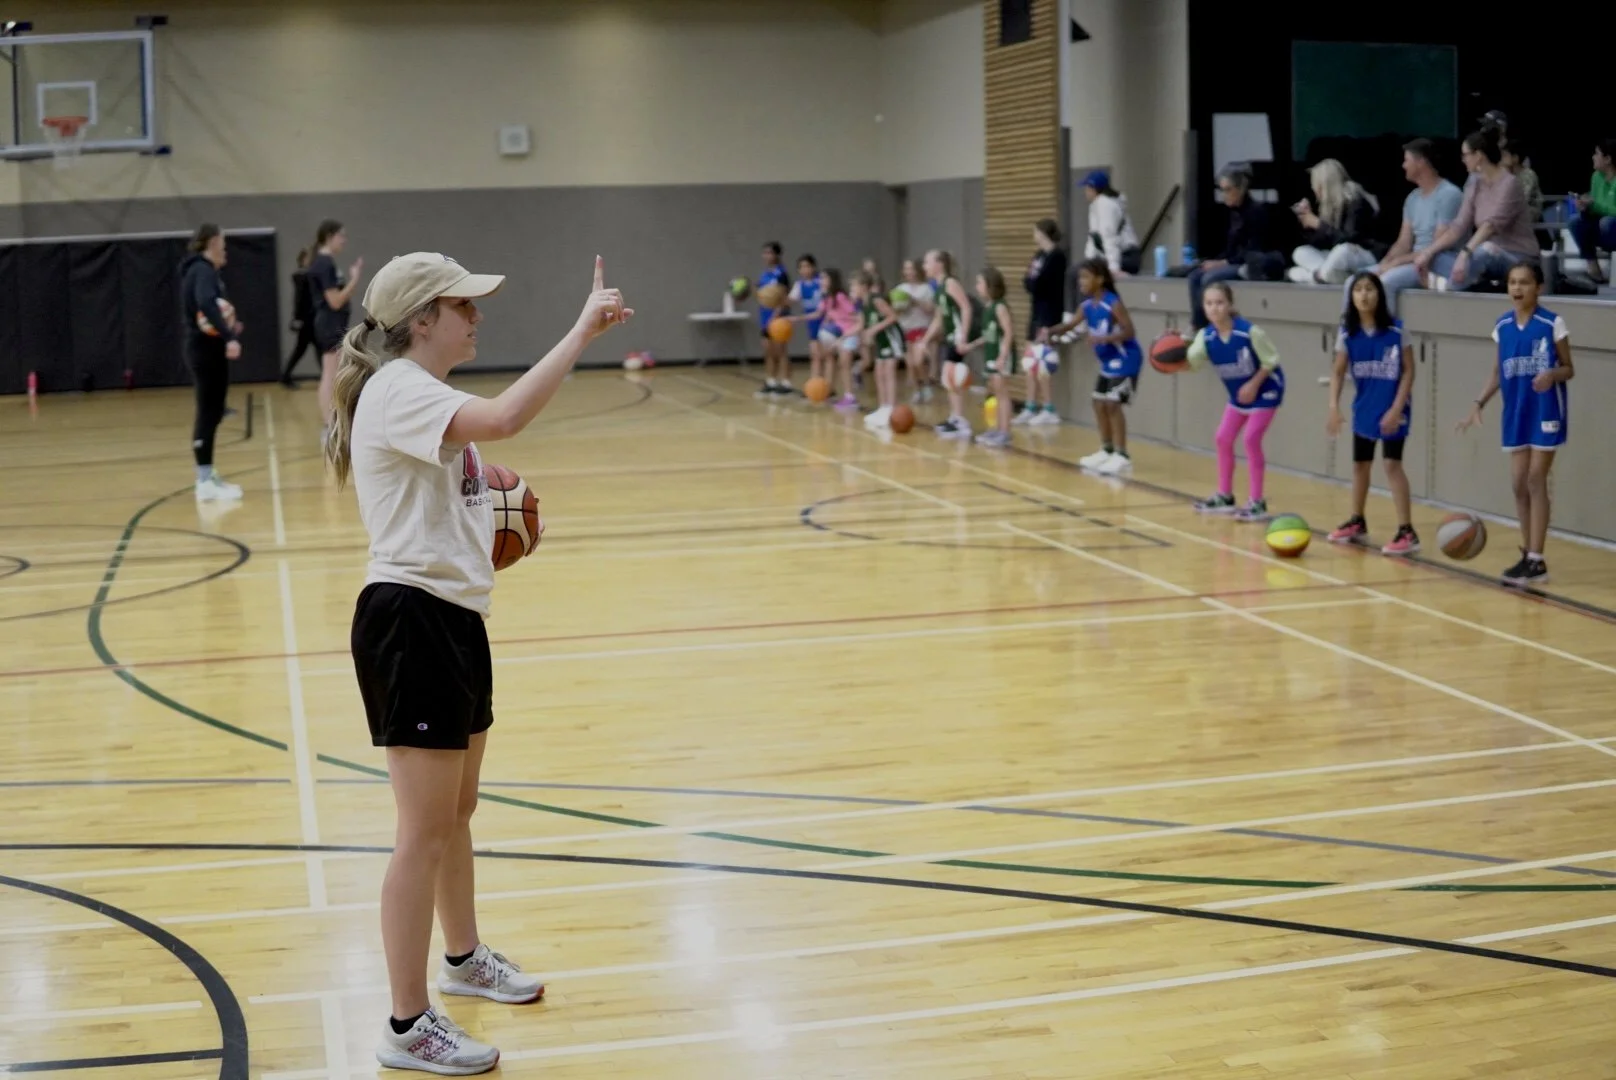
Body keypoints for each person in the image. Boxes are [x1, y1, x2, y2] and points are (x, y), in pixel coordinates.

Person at [326, 251, 629, 1074]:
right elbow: (502, 422)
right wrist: (579, 331)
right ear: (422, 318)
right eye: (464, 306)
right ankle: (405, 1022)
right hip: (409, 620)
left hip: (453, 618)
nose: (476, 317)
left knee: (453, 816)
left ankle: (462, 960)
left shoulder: (416, 390)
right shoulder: (398, 388)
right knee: (420, 832)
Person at [1456, 262, 1573, 586]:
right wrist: (1478, 404)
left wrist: (1552, 374)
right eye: (1512, 282)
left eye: (1524, 282)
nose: (1517, 289)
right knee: (1519, 483)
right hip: (1516, 412)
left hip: (1546, 410)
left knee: (1537, 479)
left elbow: (1569, 368)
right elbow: (1497, 372)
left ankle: (1537, 558)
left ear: (1539, 287)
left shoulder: (1552, 323)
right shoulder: (1502, 326)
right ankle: (1528, 555)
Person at [1327, 271, 1417, 555]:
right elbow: (1338, 372)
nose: (1364, 295)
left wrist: (1396, 408)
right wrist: (1333, 407)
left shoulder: (1397, 331)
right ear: (1351, 297)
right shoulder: (1348, 335)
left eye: (1369, 289)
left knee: (1392, 464)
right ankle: (1358, 520)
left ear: (1380, 295)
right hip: (1365, 407)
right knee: (1360, 465)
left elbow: (1409, 371)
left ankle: (1407, 531)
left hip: (1394, 407)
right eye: (1358, 290)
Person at [1186, 281, 1284, 520]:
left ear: (1230, 305)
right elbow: (1193, 361)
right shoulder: (1205, 336)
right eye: (1209, 304)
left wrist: (1253, 384)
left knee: (1251, 439)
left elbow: (1271, 360)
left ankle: (1257, 502)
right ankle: (1225, 496)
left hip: (1266, 389)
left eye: (1219, 303)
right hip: (1239, 395)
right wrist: (1176, 348)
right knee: (1223, 438)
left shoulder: (1249, 332)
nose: (1214, 308)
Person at [1047, 257, 1141, 473]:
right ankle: (1106, 449)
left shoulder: (1112, 303)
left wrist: (1103, 339)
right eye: (1080, 277)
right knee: (1098, 402)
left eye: (1085, 277)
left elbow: (1130, 331)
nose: (1081, 281)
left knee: (1113, 404)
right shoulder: (1087, 306)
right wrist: (1050, 331)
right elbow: (1070, 324)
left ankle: (1122, 454)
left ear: (1099, 279)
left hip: (1126, 359)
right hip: (1108, 361)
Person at [1350, 139, 1464, 314]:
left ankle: (1387, 337)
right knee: (1355, 280)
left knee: (1386, 281)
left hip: (1433, 263)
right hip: (1412, 261)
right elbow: (1404, 242)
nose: (1403, 165)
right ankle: (1350, 334)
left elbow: (1435, 247)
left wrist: (1394, 264)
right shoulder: (1412, 198)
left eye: (1407, 160)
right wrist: (1385, 263)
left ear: (1421, 162)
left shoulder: (1449, 195)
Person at [1418, 128, 1536, 291]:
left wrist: (1465, 253)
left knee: (1485, 251)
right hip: (1480, 256)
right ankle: (1465, 280)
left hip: (1516, 255)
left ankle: (1448, 287)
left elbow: (1490, 226)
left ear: (1478, 155)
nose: (1463, 160)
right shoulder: (1475, 184)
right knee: (1435, 257)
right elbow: (1459, 225)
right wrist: (1427, 252)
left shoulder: (1510, 184)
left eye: (1465, 155)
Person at [179, 223, 244, 502]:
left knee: (215, 411)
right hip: (204, 350)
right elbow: (205, 302)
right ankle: (204, 481)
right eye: (223, 244)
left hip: (209, 348)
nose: (226, 250)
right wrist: (229, 336)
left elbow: (210, 308)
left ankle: (207, 476)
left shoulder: (205, 272)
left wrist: (228, 327)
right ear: (213, 242)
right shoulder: (202, 271)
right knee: (208, 412)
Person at [1187, 164, 1277, 330]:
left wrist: (1224, 263)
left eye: (1228, 190)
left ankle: (1210, 325)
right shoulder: (1233, 213)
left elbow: (1252, 250)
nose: (1224, 195)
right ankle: (1198, 325)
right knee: (1195, 276)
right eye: (1222, 190)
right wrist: (1215, 260)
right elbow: (1230, 248)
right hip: (1233, 260)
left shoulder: (1256, 212)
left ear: (1240, 189)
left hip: (1249, 264)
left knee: (1209, 278)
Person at [310, 220, 365, 438]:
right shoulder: (324, 264)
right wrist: (355, 279)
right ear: (330, 236)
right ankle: (328, 424)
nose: (344, 240)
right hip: (328, 325)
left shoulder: (327, 263)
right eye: (341, 235)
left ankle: (336, 420)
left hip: (333, 324)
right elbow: (335, 301)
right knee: (330, 374)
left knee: (338, 373)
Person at [1287, 158, 1380, 284]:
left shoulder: (1355, 200)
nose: (1315, 192)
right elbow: (1322, 244)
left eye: (1317, 186)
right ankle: (1329, 275)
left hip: (1362, 254)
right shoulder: (1330, 206)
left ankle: (1317, 276)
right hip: (1337, 260)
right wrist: (1308, 225)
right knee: (1300, 252)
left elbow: (1348, 238)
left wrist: (1318, 224)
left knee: (1342, 250)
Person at [924, 249, 977, 440]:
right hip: (949, 335)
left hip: (957, 335)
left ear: (939, 264)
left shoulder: (950, 283)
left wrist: (962, 334)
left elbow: (966, 307)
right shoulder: (938, 287)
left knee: (951, 376)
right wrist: (926, 339)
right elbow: (939, 317)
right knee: (948, 377)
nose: (925, 267)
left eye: (927, 262)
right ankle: (955, 417)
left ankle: (960, 420)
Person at [966, 267, 1015, 447]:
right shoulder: (988, 308)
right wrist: (971, 345)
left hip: (1001, 355)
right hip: (991, 354)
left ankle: (1005, 431)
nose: (977, 286)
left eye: (980, 283)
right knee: (995, 391)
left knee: (1002, 394)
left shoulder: (1000, 306)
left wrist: (1002, 356)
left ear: (990, 285)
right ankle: (997, 429)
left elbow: (1009, 333)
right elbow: (988, 335)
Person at [853, 270, 906, 429]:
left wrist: (874, 329)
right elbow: (861, 325)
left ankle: (892, 407)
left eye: (854, 286)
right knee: (878, 372)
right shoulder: (864, 304)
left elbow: (893, 317)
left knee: (888, 371)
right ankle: (883, 407)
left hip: (891, 338)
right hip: (881, 341)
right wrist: (843, 337)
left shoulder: (876, 300)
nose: (852, 289)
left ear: (863, 287)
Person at [1570, 137, 1616, 284]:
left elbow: (1610, 210)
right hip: (1602, 228)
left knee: (1606, 222)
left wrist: (1594, 205)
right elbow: (1596, 207)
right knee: (1576, 221)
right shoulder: (1596, 177)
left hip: (1611, 227)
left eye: (1596, 153)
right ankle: (1593, 267)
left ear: (1608, 159)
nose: (1593, 157)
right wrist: (1585, 207)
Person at [1079, 171, 1141, 275]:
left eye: (1087, 188)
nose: (1085, 191)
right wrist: (1088, 263)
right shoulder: (1095, 206)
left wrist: (1113, 267)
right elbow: (1093, 238)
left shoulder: (1106, 205)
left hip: (1126, 257)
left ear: (1094, 189)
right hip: (1115, 256)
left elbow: (1109, 237)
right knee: (1079, 272)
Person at [892, 257, 936, 402]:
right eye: (906, 269)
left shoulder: (926, 288)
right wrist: (901, 306)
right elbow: (895, 311)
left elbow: (931, 309)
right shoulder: (900, 289)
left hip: (920, 328)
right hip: (905, 329)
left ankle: (926, 385)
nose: (909, 272)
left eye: (911, 268)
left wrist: (915, 301)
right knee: (910, 364)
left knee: (918, 361)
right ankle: (918, 390)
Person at [816, 268, 861, 410]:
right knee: (842, 364)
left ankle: (851, 397)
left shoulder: (840, 296)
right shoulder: (827, 298)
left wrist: (842, 318)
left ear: (832, 280)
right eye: (821, 278)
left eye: (824, 278)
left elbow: (855, 314)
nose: (821, 281)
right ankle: (848, 394)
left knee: (845, 364)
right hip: (841, 335)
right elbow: (820, 314)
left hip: (850, 332)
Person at [755, 241, 793, 397]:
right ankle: (771, 381)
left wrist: (775, 316)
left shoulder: (781, 274)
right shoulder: (764, 274)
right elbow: (760, 294)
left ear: (777, 255)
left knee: (781, 350)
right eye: (765, 253)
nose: (767, 256)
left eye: (770, 253)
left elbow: (784, 298)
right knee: (768, 350)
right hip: (765, 317)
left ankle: (786, 382)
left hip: (779, 317)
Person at [1024, 217, 1069, 346]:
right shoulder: (1039, 255)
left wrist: (1033, 282)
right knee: (1031, 346)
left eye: (1035, 231)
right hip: (1036, 308)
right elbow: (1028, 279)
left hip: (1049, 309)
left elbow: (1043, 282)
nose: (1034, 235)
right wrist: (1031, 281)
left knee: (1043, 349)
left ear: (1042, 233)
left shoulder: (1057, 256)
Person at [786, 254, 825, 389]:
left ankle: (824, 385)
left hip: (825, 320)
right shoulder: (799, 285)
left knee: (824, 356)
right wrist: (774, 296)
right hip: (812, 322)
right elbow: (789, 301)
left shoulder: (821, 282)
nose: (805, 269)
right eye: (801, 267)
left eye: (807, 266)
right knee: (815, 355)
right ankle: (816, 385)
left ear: (814, 267)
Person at [280, 247, 317, 387]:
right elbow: (298, 299)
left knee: (304, 349)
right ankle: (285, 376)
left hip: (308, 319)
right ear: (302, 260)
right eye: (308, 258)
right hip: (306, 320)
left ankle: (285, 376)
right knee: (311, 349)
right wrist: (297, 318)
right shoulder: (303, 277)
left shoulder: (305, 277)